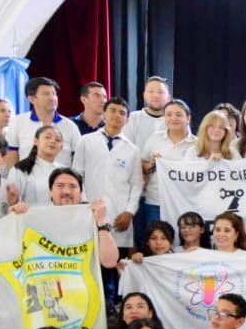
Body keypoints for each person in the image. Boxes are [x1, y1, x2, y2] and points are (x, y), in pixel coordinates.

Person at [72, 97, 141, 250]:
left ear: (127, 120)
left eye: (122, 113)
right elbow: (76, 176)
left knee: (115, 264)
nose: (117, 115)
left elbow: (136, 184)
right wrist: (84, 203)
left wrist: (129, 212)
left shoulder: (132, 150)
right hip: (89, 210)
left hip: (119, 215)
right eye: (113, 111)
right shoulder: (86, 141)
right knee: (89, 259)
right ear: (104, 113)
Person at [137, 99, 193, 237]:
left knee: (183, 243)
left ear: (188, 118)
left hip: (185, 203)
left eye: (178, 115)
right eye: (168, 114)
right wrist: (149, 165)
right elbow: (142, 165)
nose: (173, 118)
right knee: (156, 243)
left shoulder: (197, 144)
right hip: (156, 202)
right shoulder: (154, 139)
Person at [6, 76, 81, 168]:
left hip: (60, 180)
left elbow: (79, 158)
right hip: (26, 179)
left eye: (54, 94)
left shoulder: (70, 126)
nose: (52, 98)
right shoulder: (18, 122)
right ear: (32, 99)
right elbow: (12, 155)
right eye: (46, 94)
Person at [6, 125, 67, 207]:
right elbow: (13, 202)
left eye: (57, 139)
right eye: (47, 137)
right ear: (36, 141)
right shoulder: (21, 169)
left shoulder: (64, 171)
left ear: (61, 146)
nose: (53, 141)